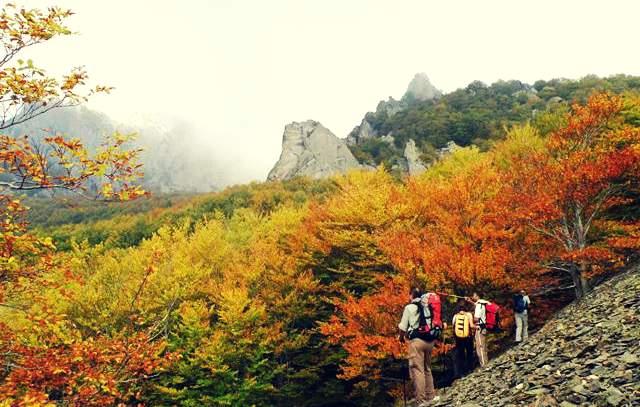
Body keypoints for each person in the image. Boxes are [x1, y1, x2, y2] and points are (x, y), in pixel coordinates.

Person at [398, 287, 435, 406]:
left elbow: (402, 327)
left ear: (411, 295)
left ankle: (421, 400)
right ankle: (431, 397)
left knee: (418, 370)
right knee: (427, 369)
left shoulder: (409, 308)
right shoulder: (427, 306)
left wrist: (401, 338)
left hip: (416, 341)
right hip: (430, 341)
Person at [451, 300, 475, 378]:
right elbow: (471, 326)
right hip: (468, 337)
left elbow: (453, 326)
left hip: (458, 338)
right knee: (469, 353)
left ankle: (461, 373)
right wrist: (476, 327)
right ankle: (470, 370)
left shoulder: (455, 316)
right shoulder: (469, 314)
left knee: (461, 354)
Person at [467, 292, 489, 367]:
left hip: (479, 327)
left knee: (480, 347)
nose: (472, 297)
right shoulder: (483, 303)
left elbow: (476, 318)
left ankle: (484, 365)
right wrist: (470, 301)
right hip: (484, 326)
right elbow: (476, 304)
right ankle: (485, 362)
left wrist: (470, 318)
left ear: (477, 296)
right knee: (483, 345)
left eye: (473, 295)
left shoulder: (479, 306)